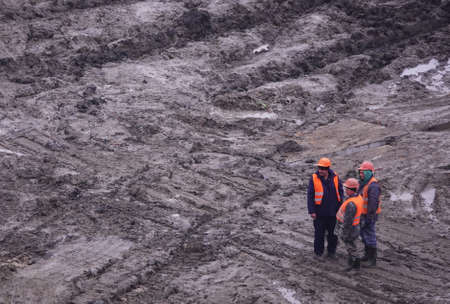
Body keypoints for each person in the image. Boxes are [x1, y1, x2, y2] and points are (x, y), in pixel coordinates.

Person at [307, 157, 343, 259]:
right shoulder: (314, 178)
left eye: (323, 168)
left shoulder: (335, 177)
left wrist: (340, 208)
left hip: (333, 212)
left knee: (333, 234)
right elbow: (310, 195)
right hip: (319, 213)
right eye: (319, 168)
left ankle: (331, 252)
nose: (321, 170)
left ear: (328, 168)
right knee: (319, 234)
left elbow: (340, 192)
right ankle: (318, 253)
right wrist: (312, 211)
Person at [336, 178, 364, 271]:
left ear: (352, 190)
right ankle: (351, 264)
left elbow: (348, 221)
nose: (345, 190)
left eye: (347, 188)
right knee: (352, 246)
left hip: (350, 229)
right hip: (355, 227)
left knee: (351, 248)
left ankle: (355, 267)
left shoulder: (351, 204)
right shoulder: (358, 198)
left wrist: (345, 233)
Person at [357, 161, 381, 267]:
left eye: (362, 172)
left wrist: (369, 217)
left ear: (368, 173)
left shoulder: (373, 185)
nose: (360, 174)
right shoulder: (364, 183)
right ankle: (367, 255)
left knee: (370, 235)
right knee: (363, 234)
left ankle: (372, 259)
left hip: (369, 215)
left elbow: (373, 203)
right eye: (360, 172)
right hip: (363, 214)